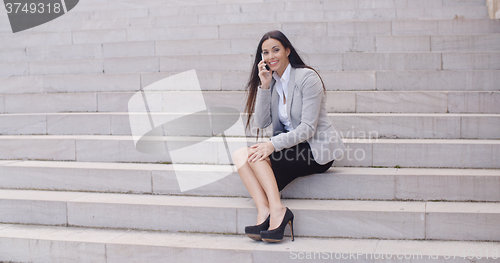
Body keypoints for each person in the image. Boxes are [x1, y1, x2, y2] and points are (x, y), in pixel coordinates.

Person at [232, 30, 346, 243]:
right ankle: (265, 210)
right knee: (240, 154)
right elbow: (262, 122)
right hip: (291, 147)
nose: (270, 56)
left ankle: (278, 210)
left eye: (276, 50)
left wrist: (272, 145)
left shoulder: (307, 78)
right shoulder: (273, 81)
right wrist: (264, 86)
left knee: (257, 156)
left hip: (315, 149)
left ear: (287, 50)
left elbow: (307, 129)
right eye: (265, 52)